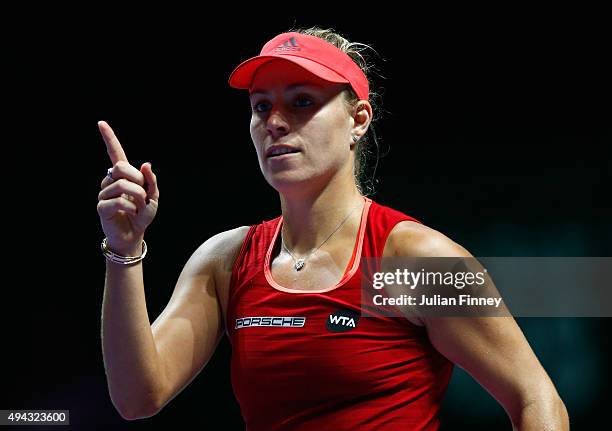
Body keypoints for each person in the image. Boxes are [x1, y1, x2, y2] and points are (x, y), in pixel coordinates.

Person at [98, 27, 569, 430]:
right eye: (261, 107)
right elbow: (138, 397)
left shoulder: (409, 260)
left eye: (302, 102)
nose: (275, 123)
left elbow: (536, 400)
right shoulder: (227, 261)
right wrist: (124, 248)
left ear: (358, 120)